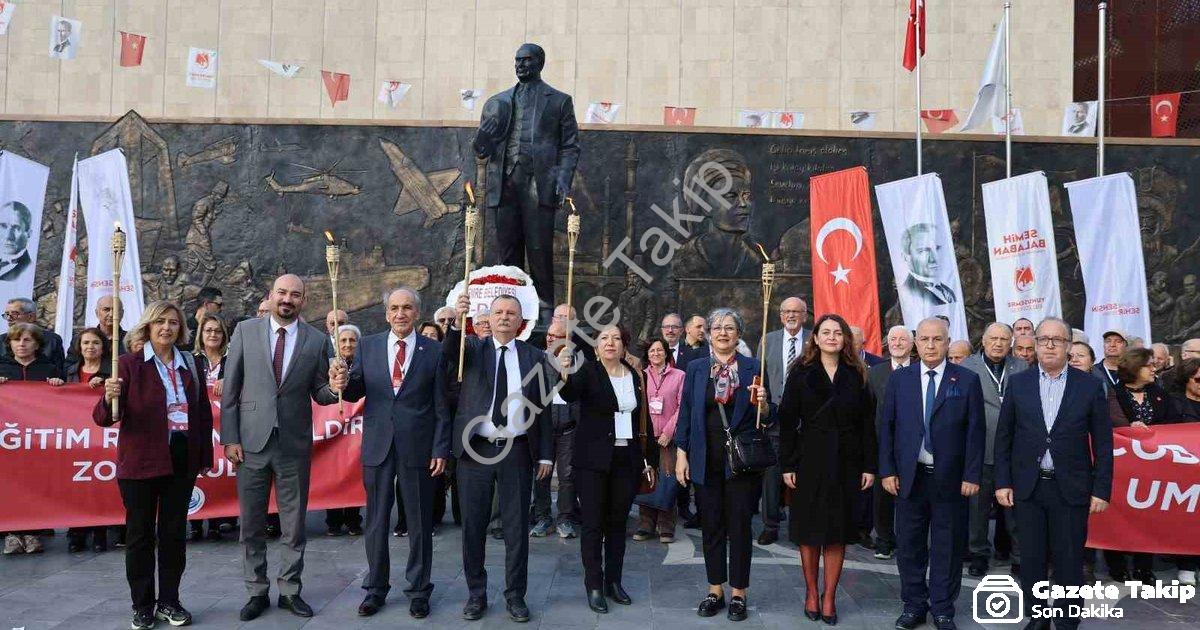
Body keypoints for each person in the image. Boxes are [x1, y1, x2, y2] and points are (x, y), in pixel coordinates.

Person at [220, 274, 340, 621]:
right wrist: (230, 438)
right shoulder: (246, 331)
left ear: (304, 301)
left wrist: (334, 388)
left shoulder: (317, 341)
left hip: (293, 445)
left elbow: (321, 392)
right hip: (251, 443)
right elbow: (232, 388)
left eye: (295, 295)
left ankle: (290, 590)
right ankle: (256, 591)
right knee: (252, 524)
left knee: (293, 524)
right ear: (270, 295)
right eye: (282, 293)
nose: (287, 299)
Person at [329, 288, 450, 619]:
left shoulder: (434, 351)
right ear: (386, 314)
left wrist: (441, 447)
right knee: (377, 520)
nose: (400, 314)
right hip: (379, 445)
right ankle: (375, 589)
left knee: (420, 522)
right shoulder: (367, 347)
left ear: (416, 313)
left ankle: (419, 590)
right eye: (394, 308)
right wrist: (340, 381)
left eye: (407, 308)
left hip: (419, 448)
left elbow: (441, 406)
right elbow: (354, 390)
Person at [93, 301, 214, 630]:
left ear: (181, 328)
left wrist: (204, 456)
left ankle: (170, 601)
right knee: (140, 536)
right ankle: (142, 605)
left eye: (173, 322)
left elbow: (201, 412)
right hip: (141, 461)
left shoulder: (191, 363)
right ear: (147, 326)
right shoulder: (129, 365)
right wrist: (109, 396)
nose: (167, 328)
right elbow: (105, 418)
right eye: (160, 321)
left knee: (174, 534)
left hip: (180, 458)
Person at [995, 317, 1112, 630]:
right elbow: (1004, 437)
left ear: (1068, 346)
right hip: (1028, 488)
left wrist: (1101, 489)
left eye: (1056, 340)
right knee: (1030, 559)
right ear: (1034, 343)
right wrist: (1003, 481)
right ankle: (1037, 616)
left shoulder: (1088, 385)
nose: (1048, 345)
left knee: (1069, 558)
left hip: (1071, 488)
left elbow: (1103, 441)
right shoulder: (1018, 383)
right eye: (1043, 338)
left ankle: (1066, 618)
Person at [444, 292, 554, 623]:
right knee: (473, 525)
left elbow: (544, 409)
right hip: (476, 448)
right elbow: (449, 354)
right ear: (488, 320)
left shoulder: (535, 356)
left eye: (511, 313)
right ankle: (476, 594)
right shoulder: (473, 350)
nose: (504, 317)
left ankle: (515, 596)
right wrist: (455, 324)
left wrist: (546, 455)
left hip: (518, 450)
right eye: (499, 312)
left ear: (521, 322)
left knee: (517, 527)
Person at [879, 317, 985, 630]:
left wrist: (972, 475)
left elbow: (975, 432)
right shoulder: (901, 379)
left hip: (951, 480)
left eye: (937, 339)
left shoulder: (965, 380)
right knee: (909, 545)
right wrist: (887, 470)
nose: (930, 345)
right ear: (915, 341)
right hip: (910, 478)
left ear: (947, 341)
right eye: (924, 339)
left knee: (947, 546)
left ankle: (942, 608)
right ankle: (913, 605)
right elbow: (887, 427)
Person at [779, 314, 876, 625]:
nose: (832, 337)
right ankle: (811, 592)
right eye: (826, 332)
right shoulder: (801, 373)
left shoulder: (858, 373)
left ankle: (830, 596)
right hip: (809, 461)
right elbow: (787, 422)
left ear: (845, 339)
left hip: (847, 463)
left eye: (838, 332)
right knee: (809, 531)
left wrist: (869, 466)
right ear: (816, 338)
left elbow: (866, 426)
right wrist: (787, 464)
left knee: (836, 532)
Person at [675, 308, 771, 622]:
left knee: (740, 527)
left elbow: (765, 419)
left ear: (738, 333)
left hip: (741, 463)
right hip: (706, 459)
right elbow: (687, 411)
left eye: (730, 327)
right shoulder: (697, 367)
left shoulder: (754, 367)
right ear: (708, 333)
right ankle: (714, 589)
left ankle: (739, 593)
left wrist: (764, 403)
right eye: (717, 327)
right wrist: (681, 453)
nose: (723, 333)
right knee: (711, 526)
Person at [472, 42, 580, 320]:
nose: (521, 65)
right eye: (517, 60)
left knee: (539, 248)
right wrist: (483, 135)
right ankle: (509, 308)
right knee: (507, 250)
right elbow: (482, 151)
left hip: (539, 184)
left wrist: (562, 180)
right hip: (505, 184)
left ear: (540, 63)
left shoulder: (558, 101)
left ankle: (544, 309)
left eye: (527, 60)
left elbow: (570, 146)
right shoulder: (499, 102)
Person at [557, 323, 657, 613]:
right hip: (593, 461)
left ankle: (614, 581)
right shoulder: (588, 371)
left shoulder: (636, 375)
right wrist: (564, 371)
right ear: (597, 345)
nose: (610, 343)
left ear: (624, 345)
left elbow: (644, 420)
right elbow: (570, 393)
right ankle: (594, 585)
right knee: (592, 525)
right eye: (604, 338)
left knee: (617, 524)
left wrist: (647, 457)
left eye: (616, 338)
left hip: (627, 460)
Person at [960, 323, 1027, 577]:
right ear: (984, 341)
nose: (998, 343)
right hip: (980, 447)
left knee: (1015, 509)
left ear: (1010, 342)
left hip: (1013, 450)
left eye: (1003, 339)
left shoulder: (1020, 367)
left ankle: (1020, 556)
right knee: (977, 508)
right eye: (993, 338)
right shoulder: (967, 367)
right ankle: (978, 553)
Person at [1103, 347, 1171, 583]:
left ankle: (1144, 567)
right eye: (1149, 365)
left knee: (1148, 516)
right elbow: (1112, 424)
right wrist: (1131, 429)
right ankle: (1117, 565)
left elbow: (1173, 424)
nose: (1154, 369)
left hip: (1154, 467)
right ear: (1135, 368)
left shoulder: (1160, 393)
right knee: (1119, 512)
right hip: (1123, 468)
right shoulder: (1114, 394)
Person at [0, 322, 67, 556]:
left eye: (27, 340)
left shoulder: (49, 369)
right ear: (10, 343)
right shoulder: (2, 369)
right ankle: (11, 532)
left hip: (38, 441)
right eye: (17, 340)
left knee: (37, 484)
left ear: (37, 344)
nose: (21, 344)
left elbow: (62, 406)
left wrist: (58, 386)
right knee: (9, 485)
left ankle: (33, 532)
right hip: (9, 441)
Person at [759, 296, 810, 545]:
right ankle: (770, 525)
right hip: (775, 420)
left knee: (805, 476)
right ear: (780, 315)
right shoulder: (768, 340)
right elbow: (760, 378)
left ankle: (801, 526)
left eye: (796, 312)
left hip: (807, 422)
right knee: (771, 476)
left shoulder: (815, 341)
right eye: (786, 311)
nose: (791, 315)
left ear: (805, 315)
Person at [866, 325, 914, 560]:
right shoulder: (875, 372)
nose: (897, 343)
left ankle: (907, 540)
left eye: (902, 339)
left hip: (912, 446)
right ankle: (884, 539)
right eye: (893, 339)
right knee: (881, 496)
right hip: (881, 444)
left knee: (910, 495)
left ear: (912, 344)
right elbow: (868, 411)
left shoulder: (919, 370)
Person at [530, 321, 581, 539]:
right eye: (549, 334)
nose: (550, 338)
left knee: (568, 475)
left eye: (556, 335)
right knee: (542, 475)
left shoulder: (578, 362)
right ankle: (543, 517)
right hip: (544, 428)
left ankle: (565, 518)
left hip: (569, 428)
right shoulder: (538, 361)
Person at [65, 328, 113, 553]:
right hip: (75, 435)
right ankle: (76, 532)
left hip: (101, 436)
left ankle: (99, 531)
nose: (90, 347)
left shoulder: (112, 371)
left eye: (95, 343)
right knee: (76, 485)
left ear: (103, 347)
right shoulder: (70, 371)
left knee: (99, 483)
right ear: (79, 347)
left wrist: (105, 384)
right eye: (86, 343)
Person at [634, 336, 685, 543]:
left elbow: (683, 406)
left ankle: (667, 525)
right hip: (646, 436)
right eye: (652, 351)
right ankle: (646, 524)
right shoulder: (640, 376)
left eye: (659, 350)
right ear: (647, 354)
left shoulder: (679, 375)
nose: (656, 354)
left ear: (666, 352)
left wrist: (668, 431)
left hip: (668, 437)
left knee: (668, 479)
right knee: (647, 479)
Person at [190, 315, 235, 542]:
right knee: (199, 470)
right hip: (200, 424)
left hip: (225, 425)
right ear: (201, 334)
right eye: (208, 330)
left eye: (218, 331)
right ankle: (196, 522)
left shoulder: (232, 359)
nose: (213, 335)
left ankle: (219, 520)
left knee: (223, 469)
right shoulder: (191, 360)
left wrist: (228, 380)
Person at [325, 323, 364, 537]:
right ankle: (333, 519)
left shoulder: (365, 364)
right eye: (343, 340)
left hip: (357, 430)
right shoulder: (327, 366)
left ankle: (352, 519)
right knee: (333, 471)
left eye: (352, 340)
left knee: (354, 472)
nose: (348, 344)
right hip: (332, 429)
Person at [1171, 358, 1200, 586]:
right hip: (1183, 473)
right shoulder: (1175, 404)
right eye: (1198, 379)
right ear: (1187, 379)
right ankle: (1187, 565)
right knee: (1187, 518)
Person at [897, 223, 957, 306]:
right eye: (923, 251)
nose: (933, 259)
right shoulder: (909, 295)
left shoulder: (949, 291)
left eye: (937, 248)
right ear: (906, 257)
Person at [1, 297, 65, 373]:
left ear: (31, 317)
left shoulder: (53, 340)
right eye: (7, 314)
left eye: (14, 314)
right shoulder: (1, 339)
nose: (9, 318)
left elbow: (60, 371)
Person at [0, 201, 33, 281]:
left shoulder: (28, 269)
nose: (8, 236)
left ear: (28, 234)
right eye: (3, 226)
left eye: (16, 228)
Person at [1092, 329, 1128, 393]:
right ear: (1104, 345)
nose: (1112, 345)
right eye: (1108, 341)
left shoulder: (1133, 370)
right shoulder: (1092, 371)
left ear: (1126, 346)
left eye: (1118, 341)